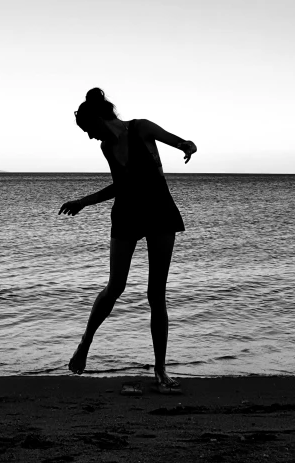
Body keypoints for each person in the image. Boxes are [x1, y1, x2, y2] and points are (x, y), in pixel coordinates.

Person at [59, 87, 197, 393]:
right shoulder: (107, 147)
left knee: (155, 293)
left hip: (160, 210)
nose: (90, 136)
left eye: (88, 129)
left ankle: (160, 370)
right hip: (127, 214)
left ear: (98, 118)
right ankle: (85, 343)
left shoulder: (141, 128)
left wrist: (188, 146)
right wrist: (84, 201)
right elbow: (119, 186)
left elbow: (178, 141)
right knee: (115, 286)